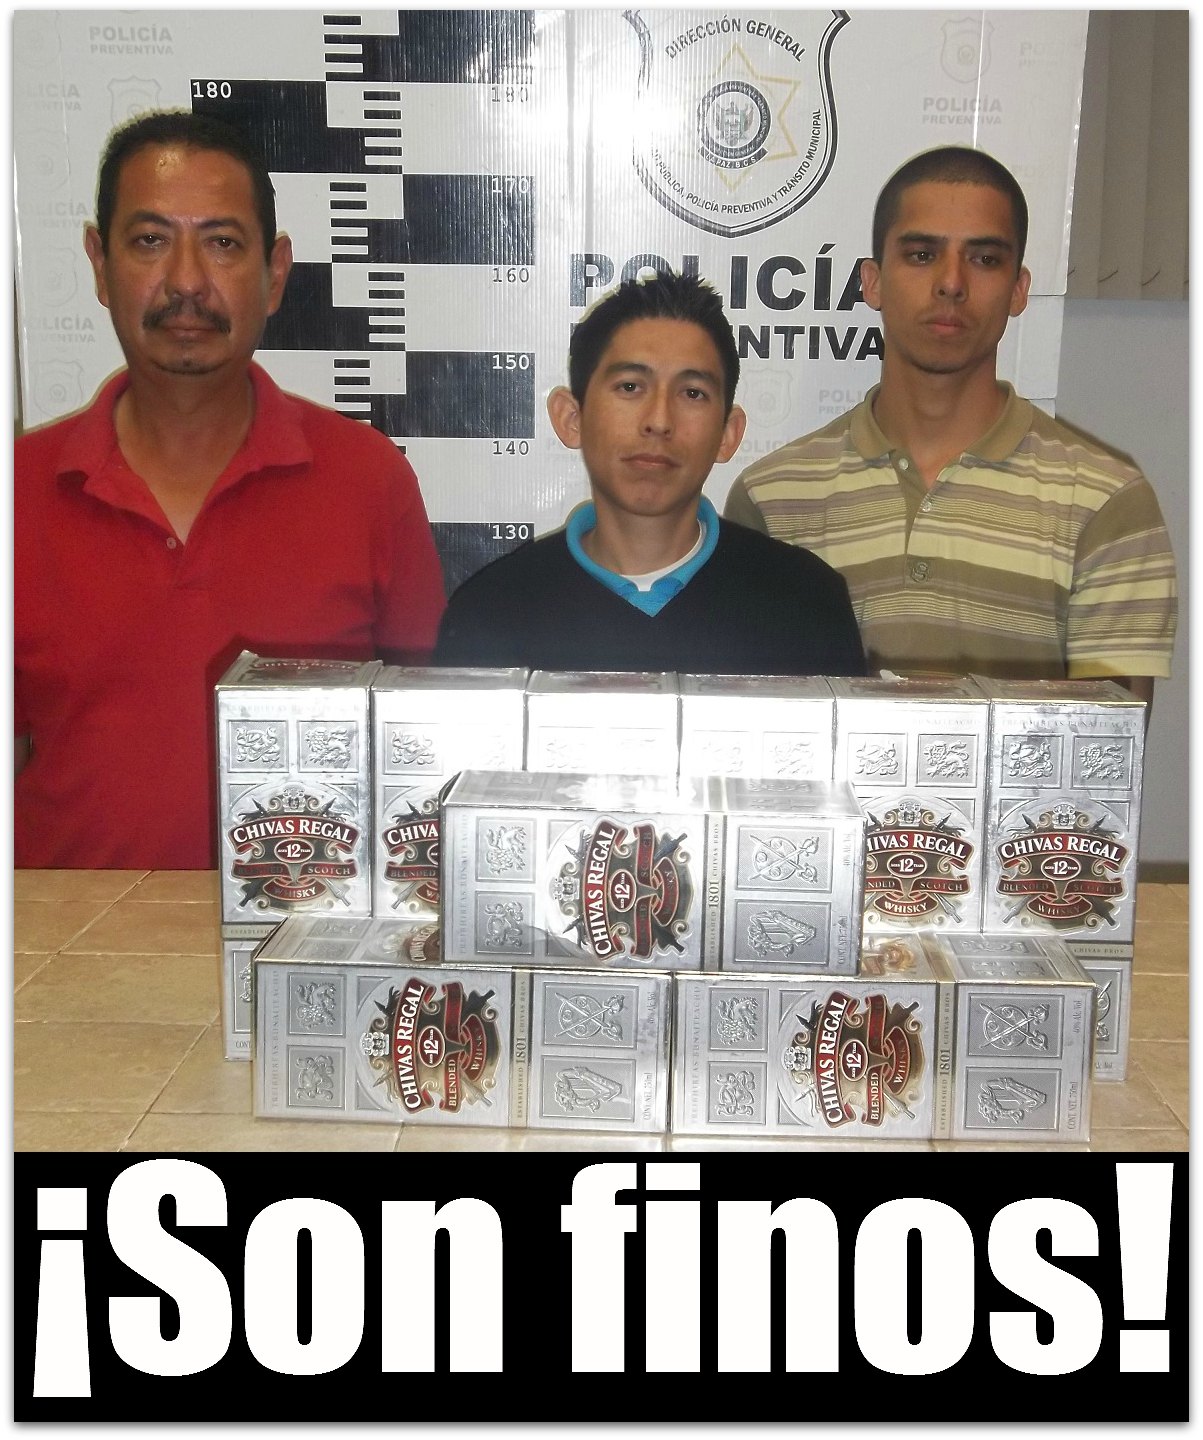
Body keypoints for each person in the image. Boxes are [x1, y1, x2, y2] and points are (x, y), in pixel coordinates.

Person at [15, 110, 446, 869]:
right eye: (150, 240)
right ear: (99, 264)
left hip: (304, 935)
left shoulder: (369, 483)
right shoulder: (17, 492)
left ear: (274, 273)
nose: (186, 281)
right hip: (63, 942)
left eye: (221, 243)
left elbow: (427, 757)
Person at [724, 146, 1177, 702]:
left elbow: (1106, 746)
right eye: (921, 255)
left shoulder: (1108, 503)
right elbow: (754, 728)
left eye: (984, 259)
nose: (951, 283)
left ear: (1018, 289)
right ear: (872, 282)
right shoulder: (772, 498)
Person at [434, 272, 865, 677]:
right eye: (630, 387)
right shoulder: (488, 614)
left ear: (727, 434)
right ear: (571, 418)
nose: (659, 421)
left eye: (692, 393)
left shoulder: (807, 604)